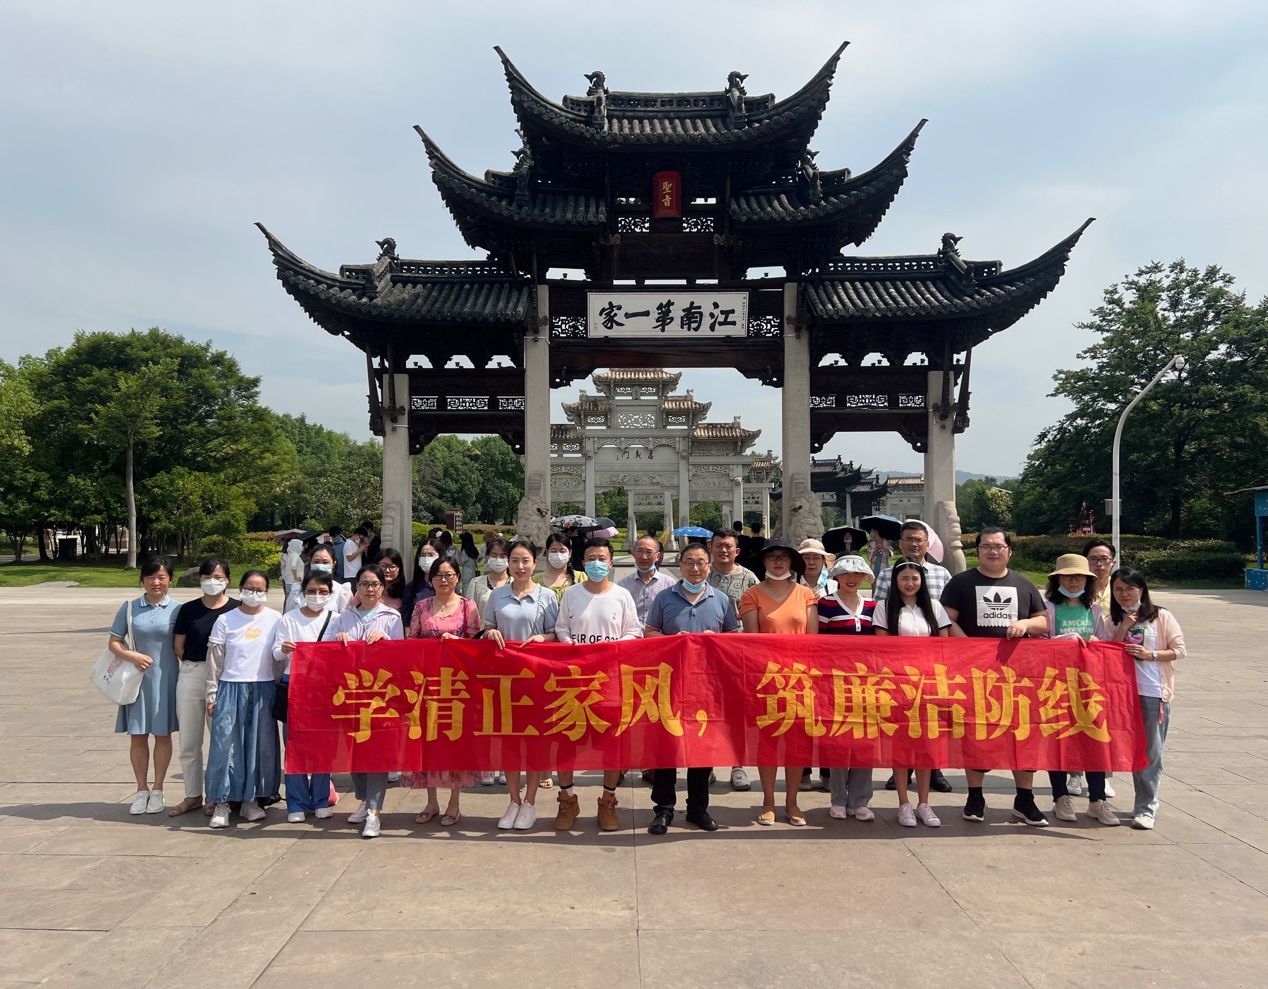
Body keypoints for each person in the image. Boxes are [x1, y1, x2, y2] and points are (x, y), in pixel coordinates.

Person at [940, 527, 1050, 825]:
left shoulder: (1023, 583)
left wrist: (1025, 624)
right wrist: (971, 649)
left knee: (1022, 734)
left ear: (1009, 551)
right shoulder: (961, 582)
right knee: (977, 733)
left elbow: (1043, 622)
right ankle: (975, 796)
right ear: (977, 550)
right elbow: (946, 619)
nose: (992, 551)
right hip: (974, 674)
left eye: (998, 546)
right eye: (986, 546)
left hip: (1018, 676)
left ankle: (1024, 799)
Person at [643, 542, 739, 834]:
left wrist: (714, 640)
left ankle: (698, 808)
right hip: (670, 684)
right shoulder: (664, 597)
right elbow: (650, 632)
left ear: (709, 566)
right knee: (667, 748)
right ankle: (664, 809)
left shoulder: (721, 599)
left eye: (700, 562)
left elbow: (733, 637)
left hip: (707, 687)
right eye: (689, 562)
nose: (695, 568)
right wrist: (673, 641)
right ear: (680, 565)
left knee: (702, 748)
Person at [554, 537, 642, 831]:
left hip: (610, 681)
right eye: (591, 558)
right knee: (567, 742)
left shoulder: (622, 595)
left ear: (611, 562)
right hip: (574, 681)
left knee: (611, 744)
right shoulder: (572, 594)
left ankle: (608, 800)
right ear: (582, 562)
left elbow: (634, 632)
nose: (596, 564)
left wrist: (613, 648)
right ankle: (567, 799)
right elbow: (561, 628)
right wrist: (569, 644)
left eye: (602, 559)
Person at [739, 538, 819, 826]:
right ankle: (768, 801)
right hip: (767, 678)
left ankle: (792, 802)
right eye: (771, 556)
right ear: (763, 561)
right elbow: (752, 641)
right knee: (769, 742)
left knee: (797, 743)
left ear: (791, 562)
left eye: (783, 557)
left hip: (799, 679)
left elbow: (812, 640)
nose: (777, 562)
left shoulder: (805, 594)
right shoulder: (752, 594)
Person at [482, 539, 561, 830]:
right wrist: (490, 633)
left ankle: (530, 802)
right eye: (514, 560)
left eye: (525, 560)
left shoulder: (546, 596)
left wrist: (543, 638)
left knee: (535, 742)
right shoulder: (497, 595)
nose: (519, 566)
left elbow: (556, 634)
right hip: (505, 679)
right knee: (509, 742)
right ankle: (513, 801)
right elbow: (488, 627)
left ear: (535, 563)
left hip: (537, 679)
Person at [322, 564, 405, 838]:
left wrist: (386, 640)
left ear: (383, 587)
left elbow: (403, 657)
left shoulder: (392, 617)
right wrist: (338, 641)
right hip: (351, 695)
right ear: (356, 587)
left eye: (375, 584)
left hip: (380, 696)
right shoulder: (344, 618)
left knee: (377, 754)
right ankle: (364, 799)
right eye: (364, 584)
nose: (370, 589)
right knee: (355, 751)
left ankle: (374, 811)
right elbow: (325, 652)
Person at [1101, 567, 1186, 830]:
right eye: (1118, 590)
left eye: (1130, 589)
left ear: (1141, 589)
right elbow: (1108, 653)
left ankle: (1146, 807)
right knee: (1128, 750)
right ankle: (1134, 801)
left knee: (1151, 752)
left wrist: (1151, 655)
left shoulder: (1160, 616)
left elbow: (1179, 650)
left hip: (1152, 692)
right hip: (1122, 695)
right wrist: (1125, 626)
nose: (1124, 594)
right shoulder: (1112, 620)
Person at [874, 520, 955, 794]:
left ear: (927, 544)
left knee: (931, 723)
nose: (914, 544)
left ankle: (934, 770)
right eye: (908, 539)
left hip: (931, 669)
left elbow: (946, 620)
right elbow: (881, 611)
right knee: (901, 722)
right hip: (898, 671)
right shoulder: (886, 576)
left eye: (919, 539)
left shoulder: (942, 574)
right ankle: (901, 769)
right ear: (900, 543)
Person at [403, 557, 484, 827]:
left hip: (458, 685)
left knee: (455, 743)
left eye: (449, 575)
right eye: (438, 575)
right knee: (428, 743)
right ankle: (431, 801)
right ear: (430, 579)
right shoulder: (421, 606)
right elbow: (411, 642)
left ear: (458, 577)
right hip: (427, 684)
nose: (444, 580)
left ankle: (454, 802)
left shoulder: (468, 606)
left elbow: (477, 645)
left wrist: (457, 643)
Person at [1039, 554, 1118, 826]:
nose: (1073, 581)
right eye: (1068, 576)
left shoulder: (1094, 610)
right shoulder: (1048, 608)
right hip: (1057, 685)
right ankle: (1061, 797)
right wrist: (1064, 640)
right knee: (1059, 741)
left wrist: (1096, 641)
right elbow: (1038, 644)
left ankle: (1097, 800)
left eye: (1079, 577)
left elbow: (1105, 644)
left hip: (1089, 686)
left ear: (1088, 580)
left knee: (1094, 740)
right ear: (1057, 579)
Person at [205, 570, 283, 829]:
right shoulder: (225, 619)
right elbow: (215, 661)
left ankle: (252, 800)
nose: (254, 593)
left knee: (259, 746)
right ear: (240, 588)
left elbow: (279, 657)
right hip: (230, 688)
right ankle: (222, 802)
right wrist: (211, 693)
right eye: (249, 588)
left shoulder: (275, 618)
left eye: (260, 589)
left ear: (267, 592)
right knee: (225, 746)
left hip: (263, 689)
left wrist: (275, 685)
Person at [108, 557, 181, 816]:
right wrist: (133, 656)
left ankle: (158, 789)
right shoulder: (129, 607)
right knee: (138, 735)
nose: (156, 582)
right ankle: (141, 789)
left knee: (163, 735)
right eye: (150, 577)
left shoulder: (178, 609)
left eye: (162, 577)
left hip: (166, 679)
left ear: (170, 580)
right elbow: (114, 641)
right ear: (142, 580)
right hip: (137, 681)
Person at [170, 557, 239, 817]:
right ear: (199, 579)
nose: (213, 582)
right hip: (191, 674)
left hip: (224, 679)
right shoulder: (188, 610)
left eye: (218, 577)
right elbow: (178, 646)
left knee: (221, 741)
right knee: (189, 741)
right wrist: (197, 667)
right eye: (207, 577)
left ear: (228, 580)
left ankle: (215, 795)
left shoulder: (237, 609)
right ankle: (192, 795)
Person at [272, 571, 336, 823]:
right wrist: (283, 649)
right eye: (311, 591)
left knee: (323, 746)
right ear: (302, 592)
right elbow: (276, 653)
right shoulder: (289, 619)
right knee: (294, 746)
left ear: (330, 594)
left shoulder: (336, 619)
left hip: (324, 688)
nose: (317, 596)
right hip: (295, 685)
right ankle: (296, 803)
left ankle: (320, 799)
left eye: (322, 591)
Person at [818, 554, 878, 822]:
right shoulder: (825, 604)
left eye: (857, 574)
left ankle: (861, 800)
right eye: (845, 574)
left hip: (868, 683)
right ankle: (838, 799)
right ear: (836, 576)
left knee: (865, 743)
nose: (852, 579)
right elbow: (818, 642)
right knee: (840, 742)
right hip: (835, 682)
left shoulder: (874, 606)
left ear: (865, 577)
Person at [707, 528, 760, 792]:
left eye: (728, 546)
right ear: (711, 548)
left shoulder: (749, 578)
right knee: (707, 711)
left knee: (737, 712)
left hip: (739, 655)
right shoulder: (701, 574)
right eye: (718, 545)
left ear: (737, 551)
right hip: (707, 656)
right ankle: (706, 764)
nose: (723, 550)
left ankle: (737, 765)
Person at [1069, 538, 1120, 800]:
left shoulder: (1120, 587)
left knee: (1103, 719)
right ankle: (1074, 773)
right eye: (1093, 559)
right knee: (1076, 717)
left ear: (1113, 562)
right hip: (1077, 663)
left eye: (1104, 559)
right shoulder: (1076, 588)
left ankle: (1104, 775)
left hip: (1110, 662)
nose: (1099, 564)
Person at [796, 537, 837, 792]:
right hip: (799, 659)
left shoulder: (835, 584)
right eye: (806, 557)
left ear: (824, 561)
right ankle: (802, 772)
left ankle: (828, 772)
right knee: (801, 717)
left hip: (829, 660)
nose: (811, 562)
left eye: (816, 557)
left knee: (828, 717)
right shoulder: (790, 585)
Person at [618, 535, 677, 625]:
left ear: (658, 556)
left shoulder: (669, 584)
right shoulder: (623, 585)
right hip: (633, 633)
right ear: (634, 553)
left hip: (659, 633)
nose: (644, 557)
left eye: (649, 552)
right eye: (640, 551)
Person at [284, 544, 352, 614]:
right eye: (316, 562)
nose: (320, 565)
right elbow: (289, 613)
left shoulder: (342, 591)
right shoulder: (297, 591)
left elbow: (346, 618)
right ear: (310, 562)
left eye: (325, 562)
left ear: (333, 564)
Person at [466, 536, 511, 621]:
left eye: (502, 556)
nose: (498, 559)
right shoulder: (476, 583)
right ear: (488, 556)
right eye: (494, 555)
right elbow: (468, 614)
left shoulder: (515, 584)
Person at [401, 537, 445, 621]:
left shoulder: (449, 585)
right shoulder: (411, 587)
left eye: (431, 555)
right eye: (423, 555)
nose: (426, 559)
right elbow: (406, 619)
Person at [536, 532, 583, 603]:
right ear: (547, 552)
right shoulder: (535, 580)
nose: (558, 555)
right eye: (554, 551)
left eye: (562, 551)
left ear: (569, 553)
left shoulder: (581, 578)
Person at [281, 537, 305, 603]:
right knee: (294, 601)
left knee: (289, 600)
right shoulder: (295, 555)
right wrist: (296, 577)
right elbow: (293, 565)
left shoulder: (290, 554)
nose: (301, 547)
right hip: (294, 582)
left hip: (289, 581)